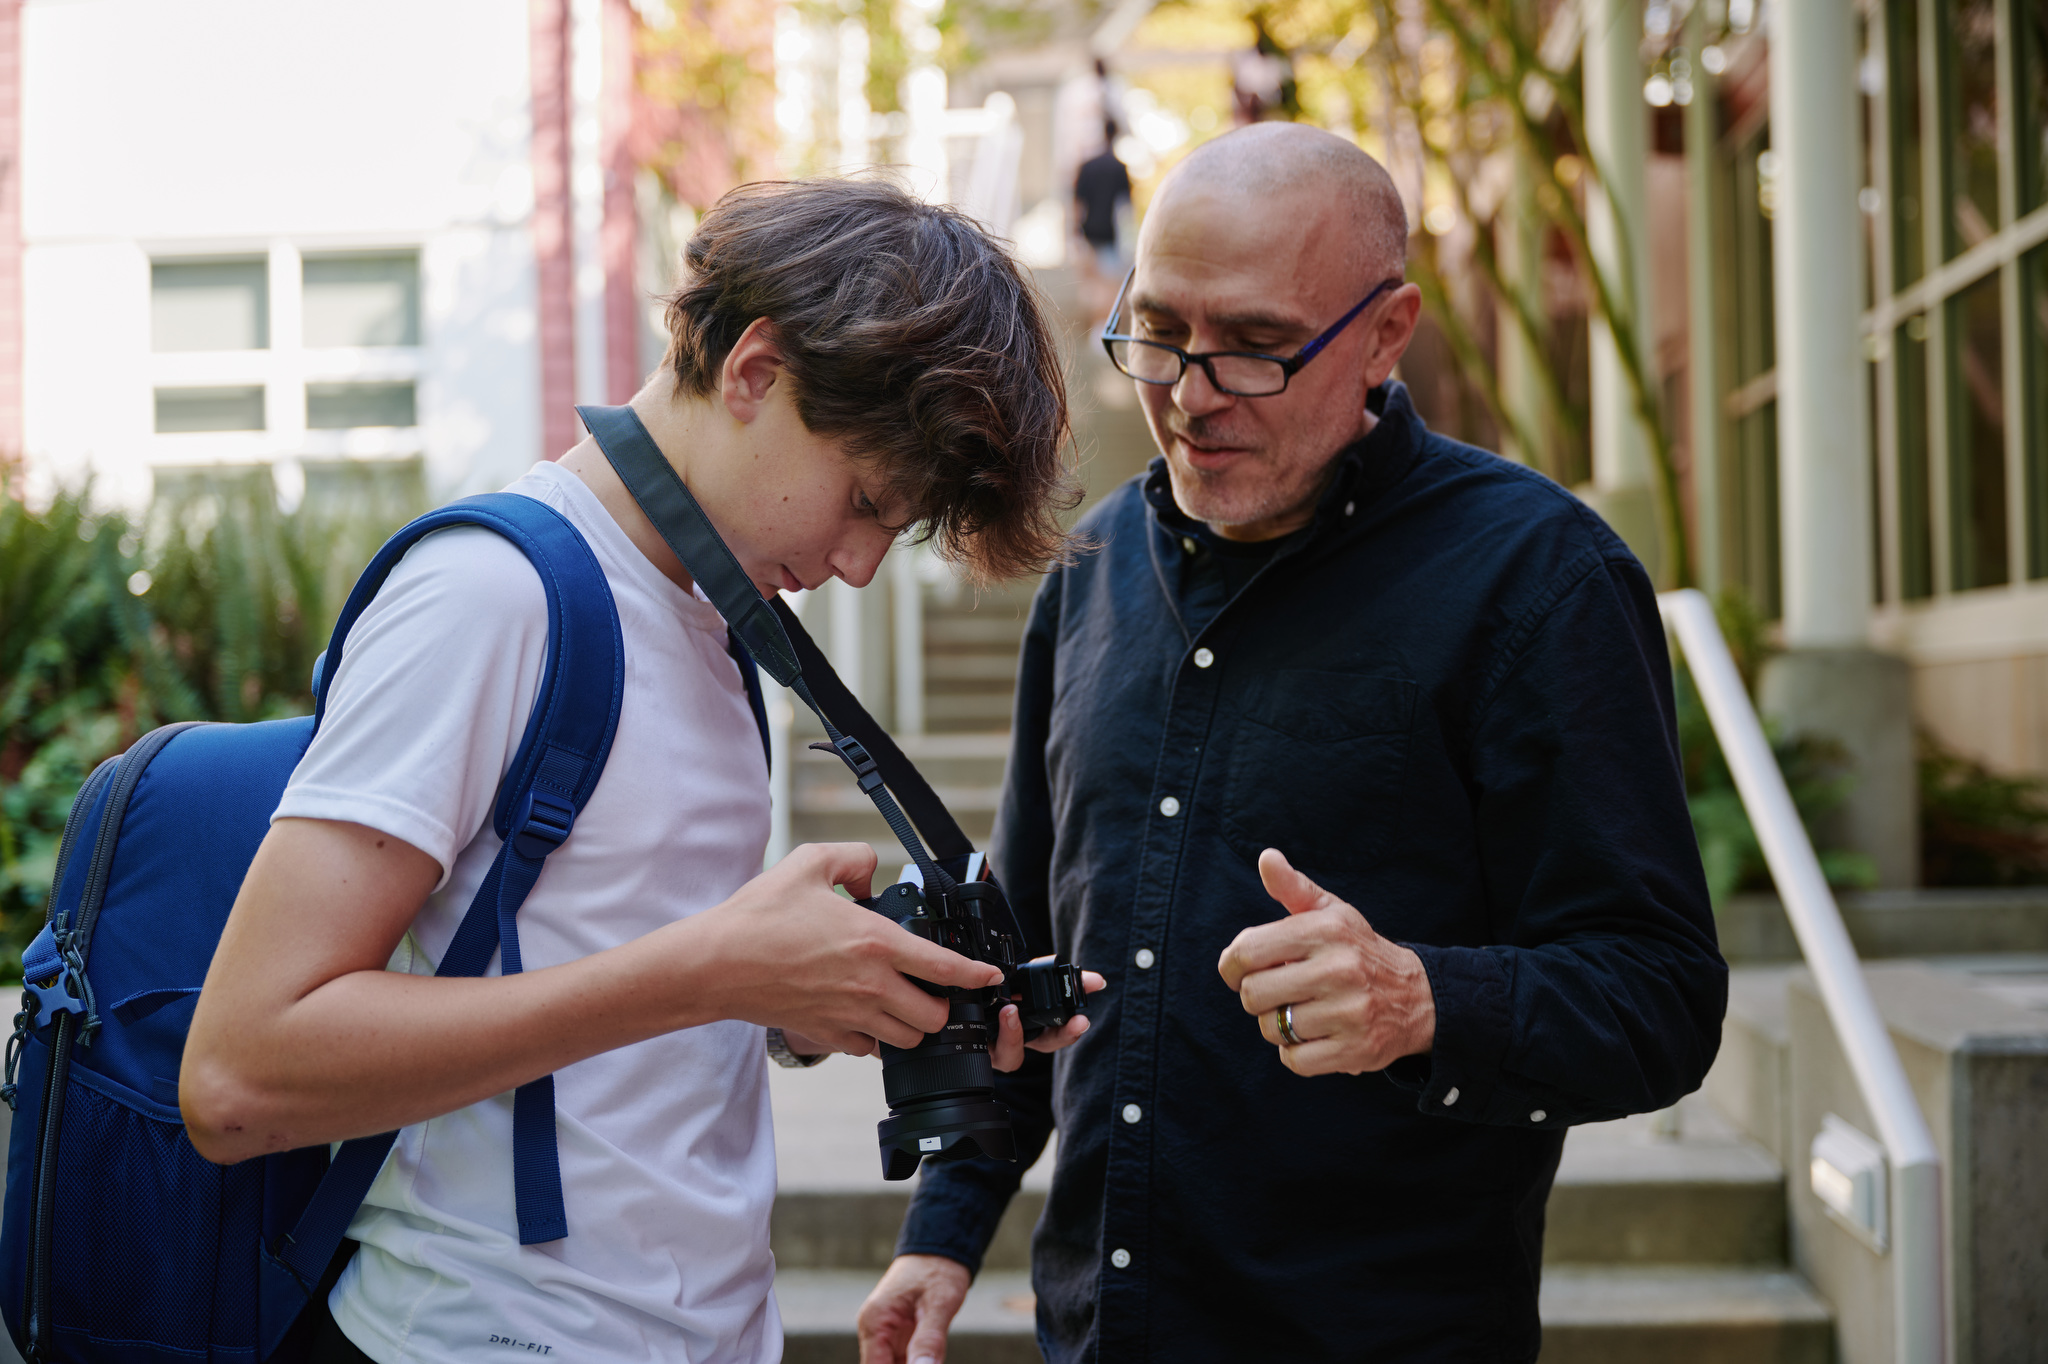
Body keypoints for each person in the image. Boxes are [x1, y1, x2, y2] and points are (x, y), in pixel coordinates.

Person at [180, 177, 1097, 1364]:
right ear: (755, 371)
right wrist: (708, 968)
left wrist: (816, 991)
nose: (861, 565)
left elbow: (610, 992)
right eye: (864, 500)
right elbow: (240, 1070)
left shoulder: (705, 621)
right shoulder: (489, 596)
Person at [856, 123, 1726, 1363]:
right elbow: (1029, 956)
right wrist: (942, 1231)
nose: (1190, 393)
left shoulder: (1539, 579)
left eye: (1256, 347)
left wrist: (1421, 1000)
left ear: (1385, 331)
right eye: (1158, 330)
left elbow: (1659, 998)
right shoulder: (1089, 570)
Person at [1072, 120, 1131, 285]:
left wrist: (1075, 232)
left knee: (1091, 284)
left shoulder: (1087, 167)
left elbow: (1078, 203)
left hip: (1089, 231)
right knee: (1109, 282)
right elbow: (1125, 206)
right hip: (1109, 233)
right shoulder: (1119, 168)